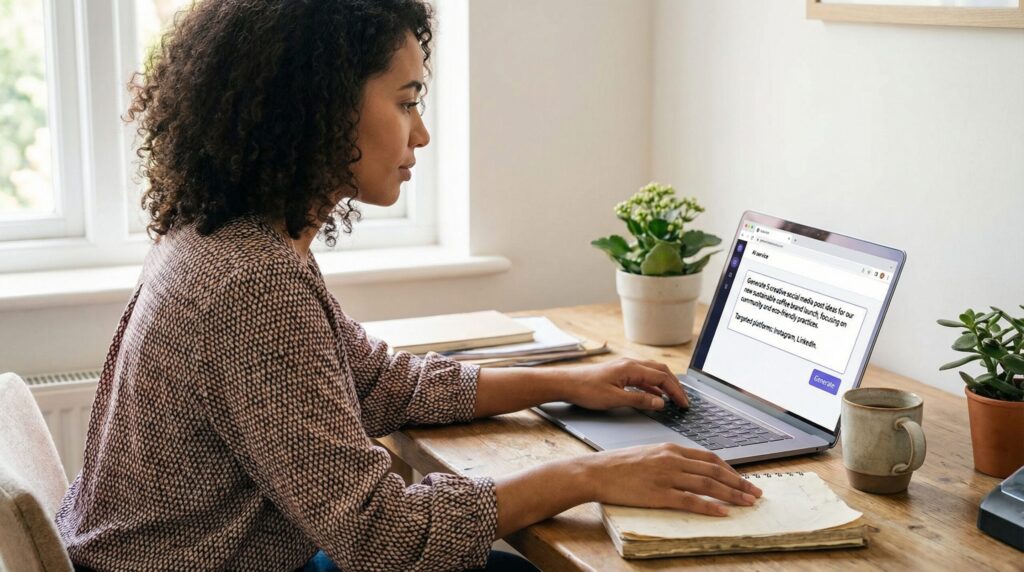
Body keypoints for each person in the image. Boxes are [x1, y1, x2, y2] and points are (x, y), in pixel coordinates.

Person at [54, 1, 762, 570]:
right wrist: (591, 476)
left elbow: (375, 383)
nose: (420, 134)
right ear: (320, 107)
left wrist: (567, 382)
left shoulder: (236, 239)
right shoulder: (250, 283)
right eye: (405, 102)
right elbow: (380, 536)